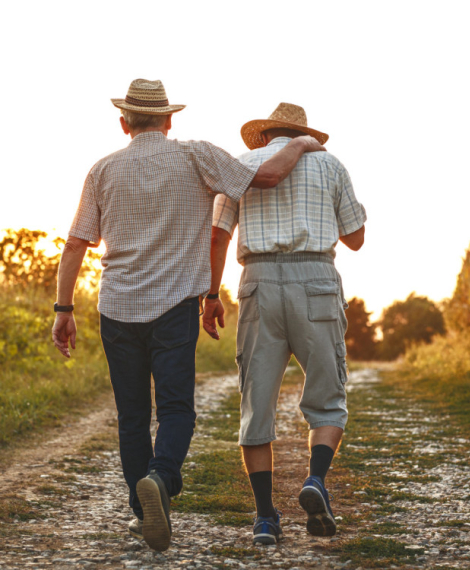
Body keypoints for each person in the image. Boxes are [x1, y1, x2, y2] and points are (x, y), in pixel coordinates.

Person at [51, 81, 325, 552]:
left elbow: (76, 242)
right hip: (175, 306)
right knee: (176, 408)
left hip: (117, 308)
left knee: (132, 415)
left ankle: (146, 512)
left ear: (124, 123)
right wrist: (300, 142)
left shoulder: (102, 170)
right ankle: (160, 476)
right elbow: (267, 176)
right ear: (169, 119)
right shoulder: (196, 156)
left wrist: (63, 308)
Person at [204, 102, 366, 545]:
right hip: (315, 277)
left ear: (263, 136)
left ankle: (263, 520)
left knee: (256, 403)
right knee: (327, 397)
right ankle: (315, 481)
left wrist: (210, 294)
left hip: (256, 281)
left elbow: (218, 234)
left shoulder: (240, 166)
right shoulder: (330, 165)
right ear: (303, 134)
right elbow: (355, 239)